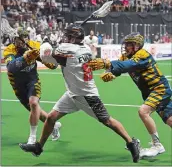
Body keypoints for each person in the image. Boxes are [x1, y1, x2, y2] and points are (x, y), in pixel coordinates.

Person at [19, 24, 140, 163]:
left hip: (86, 95)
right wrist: (42, 54)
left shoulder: (67, 49)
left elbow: (50, 57)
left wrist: (39, 53)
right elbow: (56, 58)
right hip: (73, 92)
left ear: (73, 38)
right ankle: (38, 147)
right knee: (51, 117)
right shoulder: (86, 49)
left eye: (68, 36)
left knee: (108, 121)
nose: (65, 38)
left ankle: (131, 143)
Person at [87, 32, 172, 158]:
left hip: (159, 89)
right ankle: (157, 145)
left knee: (143, 111)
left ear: (137, 46)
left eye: (128, 44)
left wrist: (107, 63)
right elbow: (120, 67)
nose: (125, 46)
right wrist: (111, 73)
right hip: (150, 92)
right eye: (125, 44)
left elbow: (130, 65)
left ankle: (157, 145)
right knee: (169, 119)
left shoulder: (142, 54)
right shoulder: (125, 57)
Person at [3, 29, 62, 144]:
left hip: (32, 80)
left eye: (24, 39)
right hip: (17, 84)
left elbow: (53, 65)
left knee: (34, 103)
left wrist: (47, 57)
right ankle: (53, 126)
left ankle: (32, 138)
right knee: (36, 112)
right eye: (18, 40)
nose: (21, 42)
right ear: (14, 40)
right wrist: (26, 58)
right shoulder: (9, 50)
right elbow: (11, 68)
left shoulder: (34, 46)